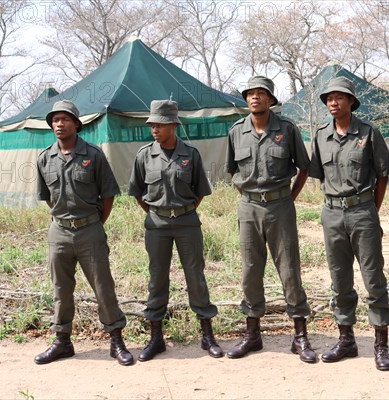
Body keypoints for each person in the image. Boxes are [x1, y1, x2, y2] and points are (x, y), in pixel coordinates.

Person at [225, 76, 316, 363]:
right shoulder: (236, 131)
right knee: (250, 270)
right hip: (249, 208)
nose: (255, 98)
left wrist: (290, 197)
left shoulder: (286, 129)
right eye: (250, 93)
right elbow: (231, 170)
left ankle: (300, 336)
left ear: (270, 100)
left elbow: (304, 167)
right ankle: (253, 335)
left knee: (289, 270)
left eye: (260, 94)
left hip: (280, 207)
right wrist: (249, 193)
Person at [35, 100, 133, 366]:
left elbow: (109, 194)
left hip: (90, 230)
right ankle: (62, 342)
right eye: (55, 120)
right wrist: (64, 220)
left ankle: (116, 340)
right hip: (59, 233)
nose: (59, 124)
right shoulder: (45, 158)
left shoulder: (94, 154)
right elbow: (48, 197)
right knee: (61, 288)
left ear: (76, 124)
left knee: (103, 287)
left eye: (65, 119)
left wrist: (94, 223)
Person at [308, 77, 389, 370]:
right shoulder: (320, 136)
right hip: (332, 214)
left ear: (351, 102)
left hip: (362, 213)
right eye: (329, 98)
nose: (333, 102)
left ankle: (381, 345)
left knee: (373, 278)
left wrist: (371, 208)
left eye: (339, 98)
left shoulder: (369, 133)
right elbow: (319, 174)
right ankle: (346, 340)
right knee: (339, 278)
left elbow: (383, 175)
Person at [128, 100, 222, 361]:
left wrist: (182, 210)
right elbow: (137, 192)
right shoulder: (144, 155)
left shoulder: (190, 154)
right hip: (156, 225)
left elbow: (200, 191)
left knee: (196, 277)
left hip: (187, 223)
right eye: (152, 125)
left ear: (172, 125)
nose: (154, 129)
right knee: (157, 279)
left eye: (159, 124)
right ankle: (156, 338)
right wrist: (157, 212)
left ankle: (207, 336)